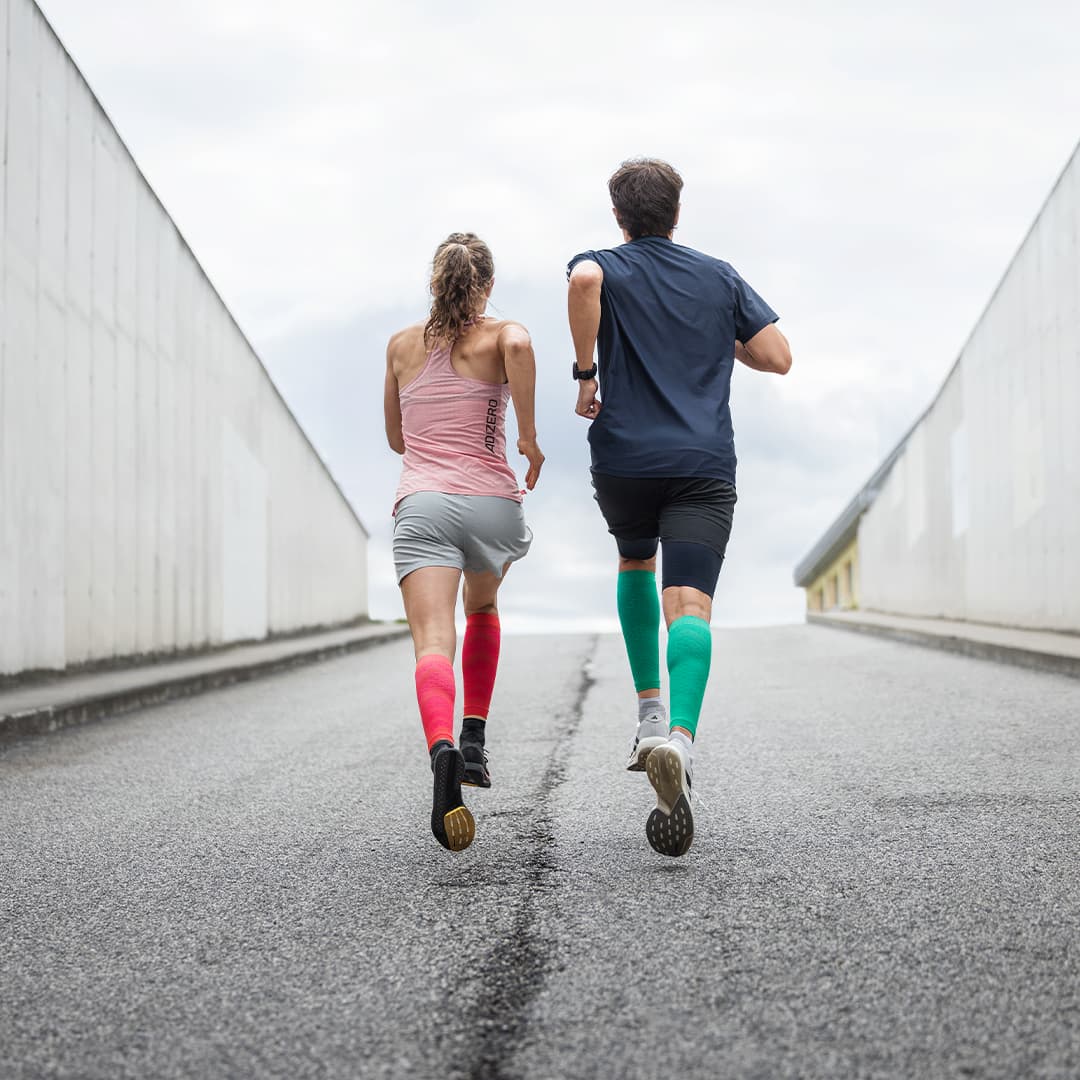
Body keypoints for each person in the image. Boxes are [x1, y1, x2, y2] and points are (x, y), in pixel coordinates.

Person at [566, 159, 791, 857]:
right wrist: (714, 337)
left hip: (626, 458)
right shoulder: (719, 277)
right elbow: (778, 356)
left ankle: (646, 715)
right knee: (690, 606)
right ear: (676, 212)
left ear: (619, 215)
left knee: (635, 558)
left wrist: (586, 372)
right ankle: (681, 742)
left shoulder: (602, 263)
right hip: (700, 463)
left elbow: (583, 282)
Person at [385, 232, 544, 852]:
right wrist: (526, 436)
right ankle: (474, 742)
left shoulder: (401, 346)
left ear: (434, 282)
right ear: (488, 286)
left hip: (423, 504)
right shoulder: (500, 335)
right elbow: (523, 344)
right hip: (491, 506)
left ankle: (443, 748)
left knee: (431, 640)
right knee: (481, 609)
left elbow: (398, 440)